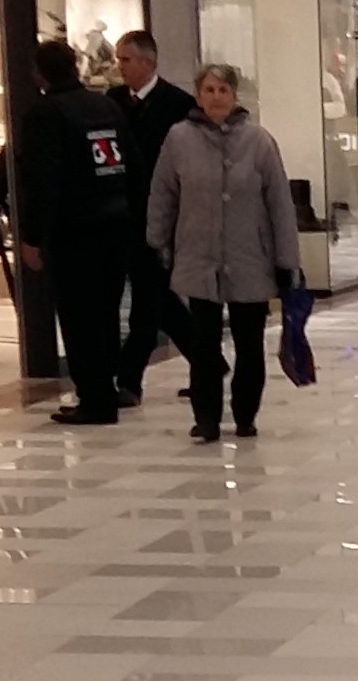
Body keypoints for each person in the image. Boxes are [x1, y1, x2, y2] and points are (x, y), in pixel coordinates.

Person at [147, 61, 301, 444]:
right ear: (198, 95)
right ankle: (206, 418)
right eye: (209, 90)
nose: (216, 97)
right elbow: (163, 193)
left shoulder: (259, 142)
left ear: (234, 96)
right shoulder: (178, 139)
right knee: (203, 344)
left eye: (223, 90)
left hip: (250, 257)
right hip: (199, 256)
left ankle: (245, 413)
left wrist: (287, 261)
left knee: (249, 343)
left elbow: (280, 205)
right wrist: (157, 241)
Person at [17, 35, 132, 427]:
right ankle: (106, 390)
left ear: (40, 73)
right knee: (106, 312)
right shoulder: (105, 106)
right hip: (116, 223)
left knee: (79, 316)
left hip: (75, 231)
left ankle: (95, 398)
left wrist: (32, 236)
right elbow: (132, 163)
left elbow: (42, 180)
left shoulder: (44, 115)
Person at [109, 28, 193, 401]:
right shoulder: (113, 102)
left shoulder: (178, 105)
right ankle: (208, 361)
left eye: (126, 59)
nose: (120, 67)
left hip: (162, 217)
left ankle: (129, 380)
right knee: (161, 300)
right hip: (125, 216)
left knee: (147, 300)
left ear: (147, 62)